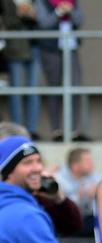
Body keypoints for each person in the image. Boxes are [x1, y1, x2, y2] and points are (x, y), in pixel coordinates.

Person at [34, 0, 88, 141]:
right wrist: (58, 12)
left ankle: (74, 130)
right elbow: (43, 23)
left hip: (70, 47)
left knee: (75, 87)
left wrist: (70, 10)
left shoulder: (73, 1)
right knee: (55, 89)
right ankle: (56, 131)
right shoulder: (42, 2)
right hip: (51, 49)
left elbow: (80, 19)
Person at [0, 0, 42, 139]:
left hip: (34, 45)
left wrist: (33, 15)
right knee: (16, 90)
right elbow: (7, 21)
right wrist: (21, 14)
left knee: (33, 90)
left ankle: (31, 129)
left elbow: (43, 21)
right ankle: (16, 130)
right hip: (14, 47)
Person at [59, 147, 100, 235]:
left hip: (86, 220)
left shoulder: (92, 176)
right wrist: (79, 197)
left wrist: (98, 195)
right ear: (75, 165)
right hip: (66, 223)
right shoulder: (59, 180)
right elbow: (63, 209)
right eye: (88, 161)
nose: (92, 163)